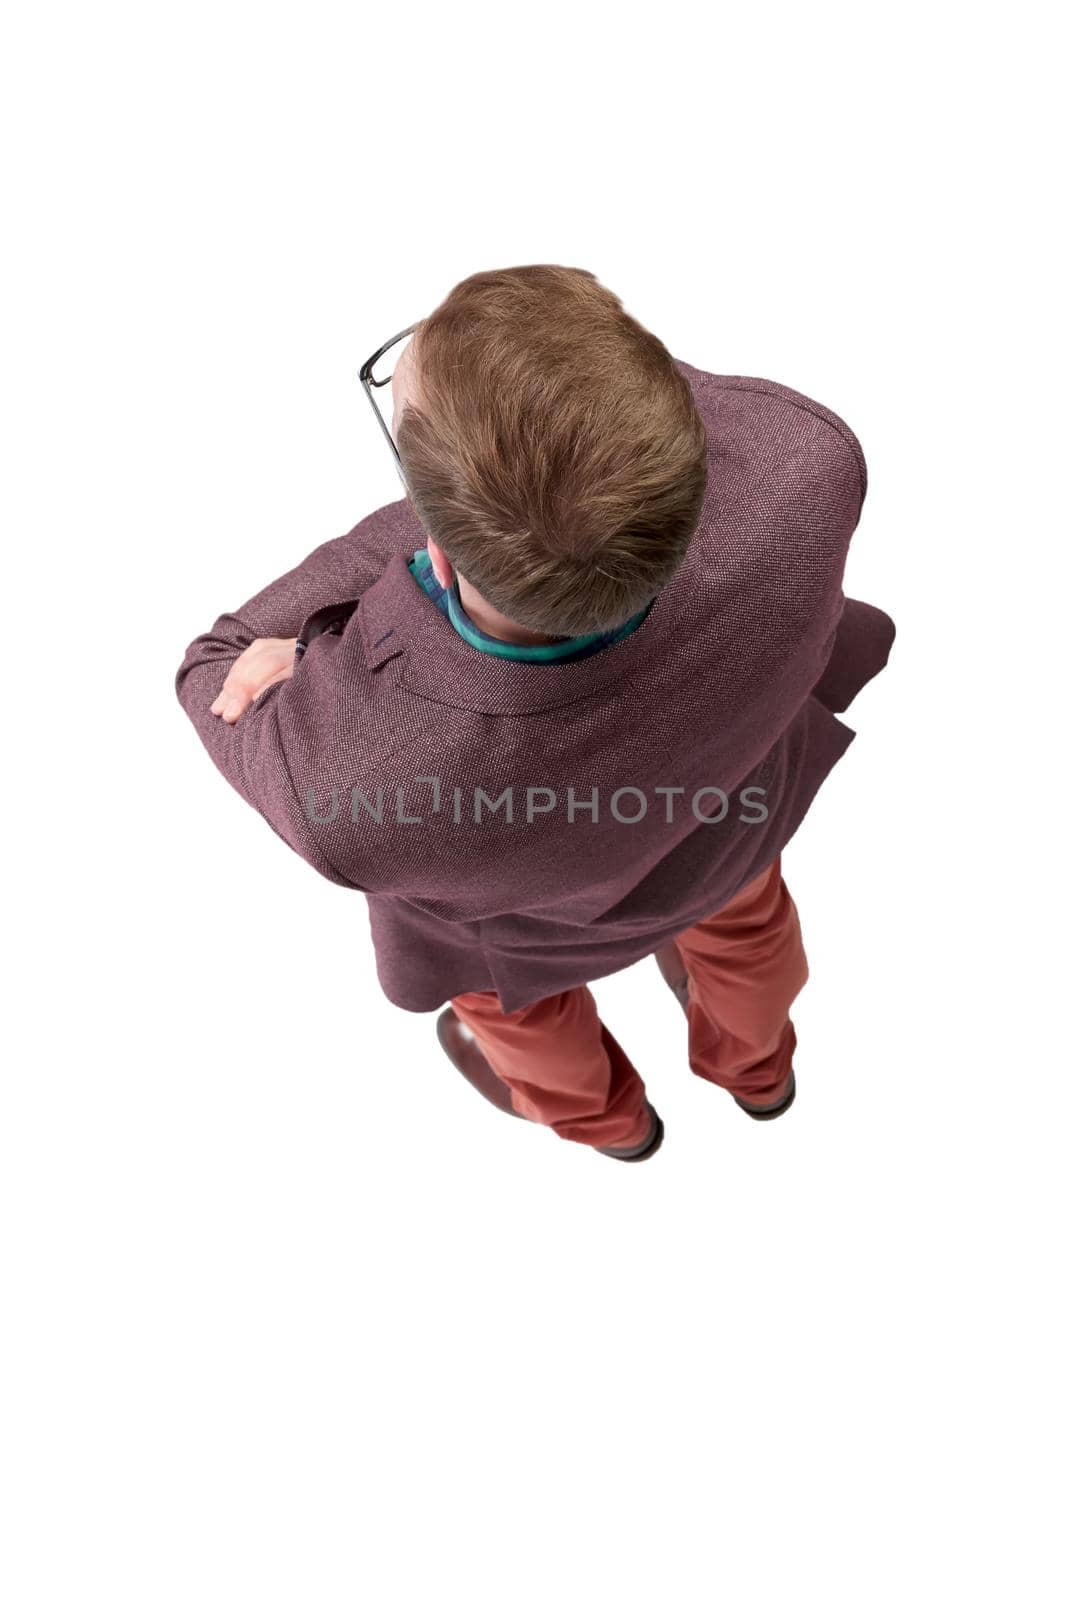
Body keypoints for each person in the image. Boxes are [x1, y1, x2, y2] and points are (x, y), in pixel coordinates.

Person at [175, 263, 895, 1163]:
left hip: (518, 938)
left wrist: (465, 526)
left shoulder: (345, 784)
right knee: (749, 935)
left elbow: (213, 666)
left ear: (434, 540)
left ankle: (612, 1128)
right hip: (729, 826)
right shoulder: (805, 469)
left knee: (521, 1018)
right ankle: (759, 1071)